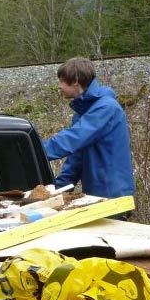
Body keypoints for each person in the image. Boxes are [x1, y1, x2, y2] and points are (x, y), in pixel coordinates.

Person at [43, 57, 134, 199]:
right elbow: (76, 158)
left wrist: (36, 152)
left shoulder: (106, 108)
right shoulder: (83, 113)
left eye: (61, 81)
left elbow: (73, 139)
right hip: (95, 195)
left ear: (75, 81)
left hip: (114, 195)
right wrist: (57, 189)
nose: (59, 86)